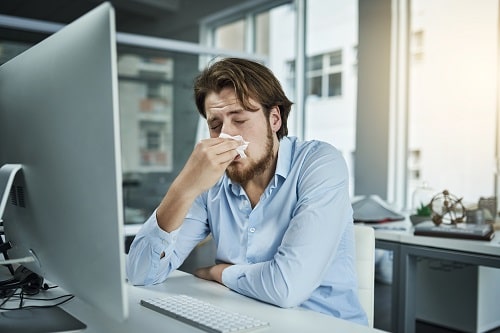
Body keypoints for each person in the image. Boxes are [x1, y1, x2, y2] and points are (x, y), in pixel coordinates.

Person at [126, 57, 368, 326]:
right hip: (246, 321)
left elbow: (286, 287)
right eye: (215, 125)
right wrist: (183, 186)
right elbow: (141, 273)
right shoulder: (212, 182)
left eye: (239, 119)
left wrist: (221, 272)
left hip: (325, 325)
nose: (226, 136)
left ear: (274, 118)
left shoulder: (319, 163)